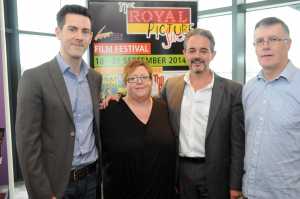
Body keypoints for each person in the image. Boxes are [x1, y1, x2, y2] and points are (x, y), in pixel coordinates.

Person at [15, 5, 102, 199]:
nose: (79, 36)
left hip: (91, 180)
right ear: (58, 32)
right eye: (72, 29)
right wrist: (44, 193)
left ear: (90, 37)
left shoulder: (95, 79)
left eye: (85, 31)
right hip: (57, 186)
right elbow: (27, 145)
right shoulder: (34, 78)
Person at [161, 28, 245, 199]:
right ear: (184, 53)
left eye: (203, 51)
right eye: (192, 50)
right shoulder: (170, 86)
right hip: (181, 173)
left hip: (216, 174)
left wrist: (236, 185)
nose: (197, 56)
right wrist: (118, 98)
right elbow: (149, 107)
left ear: (212, 54)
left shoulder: (232, 90)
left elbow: (238, 143)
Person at [101, 59, 176, 199]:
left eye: (143, 77)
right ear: (125, 83)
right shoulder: (109, 110)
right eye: (133, 78)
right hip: (122, 193)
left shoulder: (164, 108)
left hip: (162, 192)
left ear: (151, 80)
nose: (139, 82)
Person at [242, 17, 300, 199]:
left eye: (273, 39)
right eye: (259, 41)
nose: (265, 46)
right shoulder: (248, 88)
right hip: (249, 192)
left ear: (288, 44)